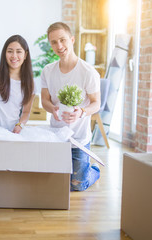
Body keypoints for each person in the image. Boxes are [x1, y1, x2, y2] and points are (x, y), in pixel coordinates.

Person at [41, 22, 101, 191]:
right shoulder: (48, 71)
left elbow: (96, 103)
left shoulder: (88, 72)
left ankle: (94, 170)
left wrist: (81, 112)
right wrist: (52, 109)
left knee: (77, 185)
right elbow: (45, 100)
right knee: (57, 184)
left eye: (62, 40)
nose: (59, 46)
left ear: (72, 40)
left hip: (79, 139)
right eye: (53, 42)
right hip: (57, 137)